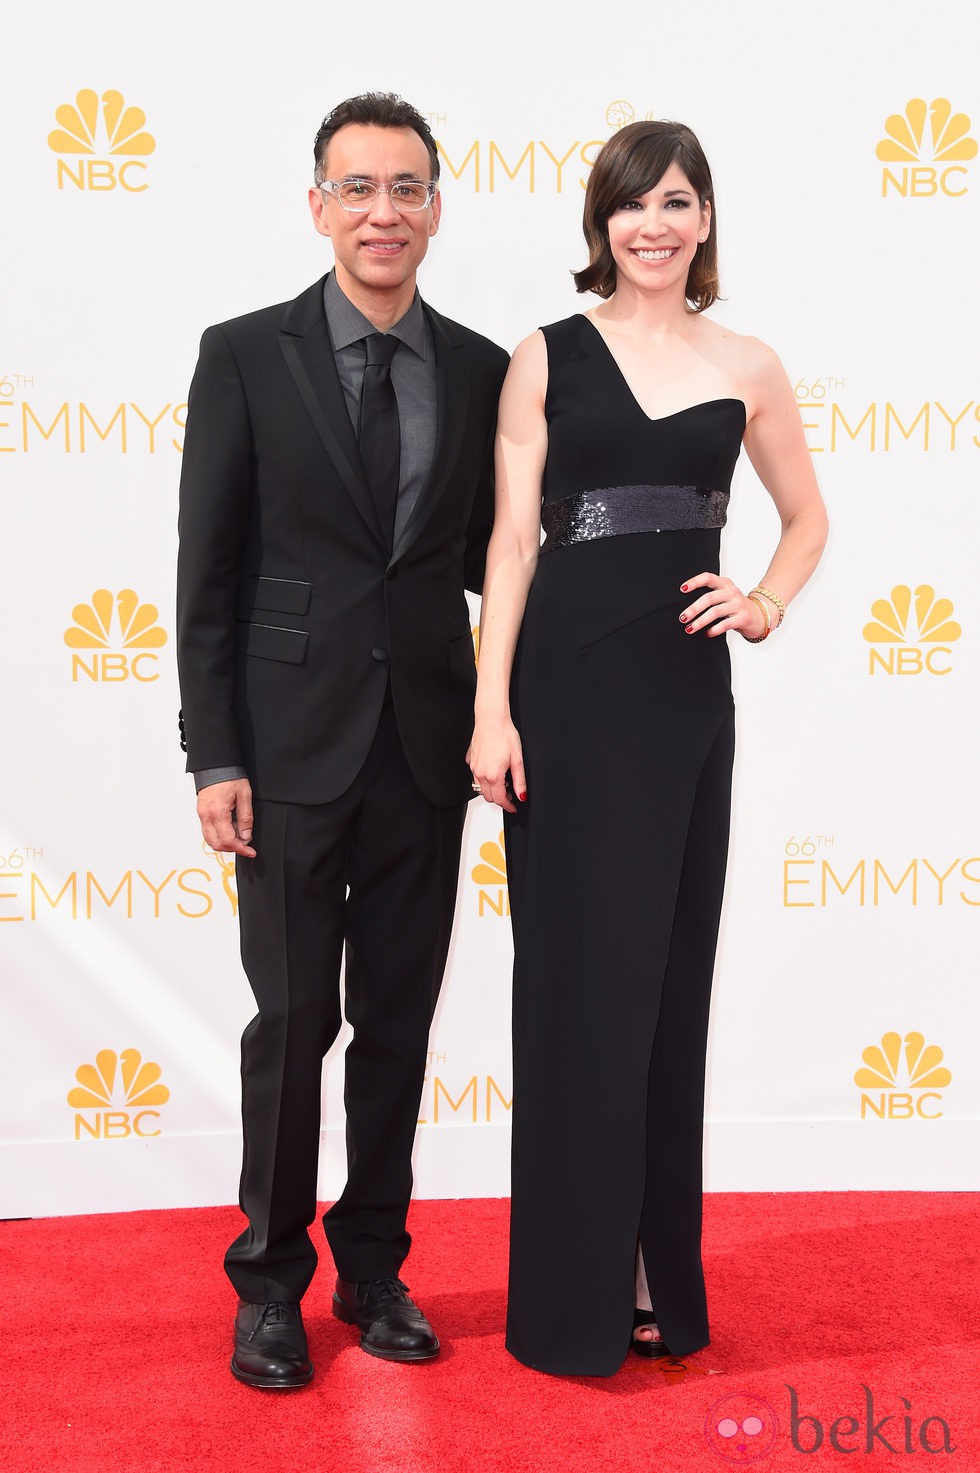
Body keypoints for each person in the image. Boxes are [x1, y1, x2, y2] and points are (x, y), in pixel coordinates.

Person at [467, 120, 827, 1376]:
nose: (653, 226)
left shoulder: (749, 362)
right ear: (600, 225)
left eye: (676, 202)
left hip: (680, 701)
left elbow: (804, 514)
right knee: (573, 995)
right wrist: (489, 710)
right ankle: (567, 1297)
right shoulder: (545, 357)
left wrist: (765, 601)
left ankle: (645, 1275)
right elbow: (512, 546)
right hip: (561, 694)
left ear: (706, 218)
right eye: (631, 206)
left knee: (665, 992)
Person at [176, 92, 508, 1388]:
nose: (385, 212)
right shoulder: (244, 354)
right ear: (319, 206)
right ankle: (270, 1280)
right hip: (289, 750)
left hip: (427, 747)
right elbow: (207, 570)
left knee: (401, 1023)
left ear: (435, 204)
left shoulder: (484, 369)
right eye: (359, 188)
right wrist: (215, 753)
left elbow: (507, 562)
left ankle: (376, 1269)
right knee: (295, 1017)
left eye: (407, 187)